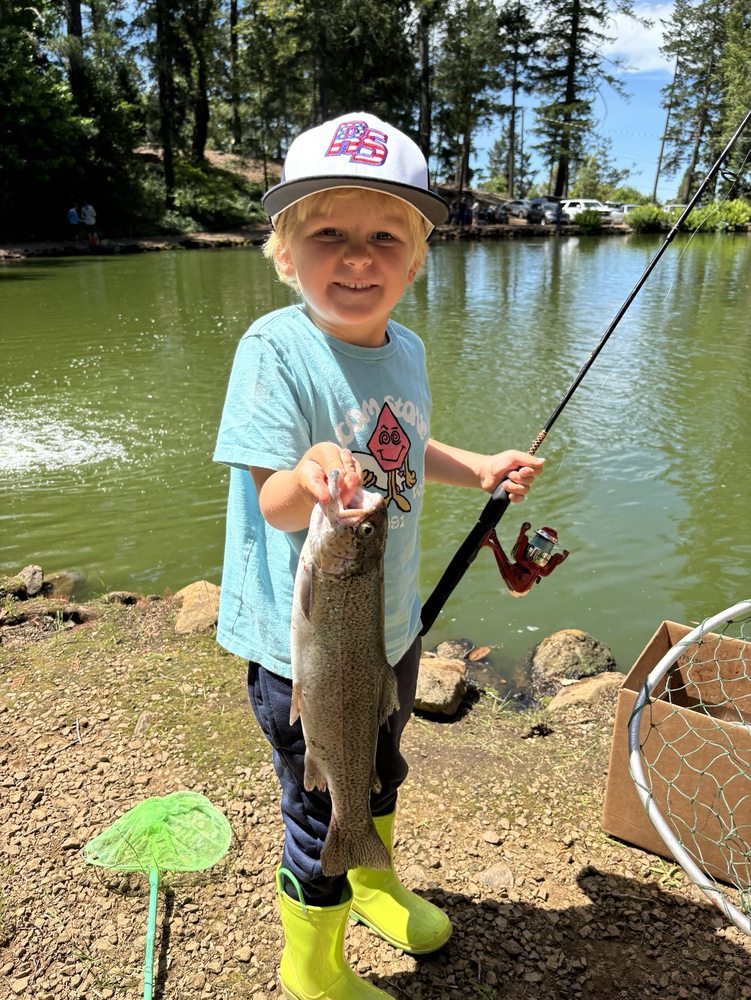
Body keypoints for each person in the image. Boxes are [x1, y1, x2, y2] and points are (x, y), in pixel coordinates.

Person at [214, 111, 544, 1000]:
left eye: (383, 237)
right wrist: (312, 470)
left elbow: (401, 444)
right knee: (320, 797)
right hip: (305, 648)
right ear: (286, 254)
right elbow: (273, 502)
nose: (357, 258)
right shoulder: (274, 351)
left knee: (377, 765)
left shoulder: (406, 347)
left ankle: (370, 878)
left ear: (416, 257)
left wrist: (471, 465)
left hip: (389, 625)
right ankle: (311, 962)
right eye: (328, 235)